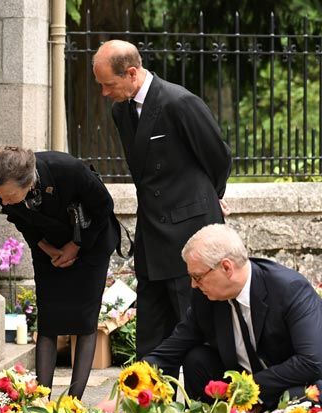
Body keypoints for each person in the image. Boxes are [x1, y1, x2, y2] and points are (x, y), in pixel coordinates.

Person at [92, 40, 232, 366]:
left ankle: (205, 401)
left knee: (194, 323)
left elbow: (218, 157)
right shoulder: (120, 110)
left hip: (191, 232)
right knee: (151, 331)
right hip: (152, 234)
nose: (103, 92)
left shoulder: (179, 102)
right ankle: (150, 401)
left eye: (108, 84)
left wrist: (214, 197)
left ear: (131, 73)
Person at [145, 223, 322, 411]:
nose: (193, 286)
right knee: (196, 359)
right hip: (258, 378)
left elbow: (311, 362)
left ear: (226, 268)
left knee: (297, 401)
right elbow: (170, 351)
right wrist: (131, 383)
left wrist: (246, 388)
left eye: (197, 277)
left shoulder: (288, 288)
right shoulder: (206, 297)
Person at [0, 146, 119, 400]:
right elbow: (19, 218)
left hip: (91, 239)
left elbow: (103, 207)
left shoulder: (67, 170)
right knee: (49, 318)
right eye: (0, 197)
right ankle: (42, 398)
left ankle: (73, 401)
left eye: (9, 195)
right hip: (48, 243)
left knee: (84, 320)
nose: (4, 201)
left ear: (27, 180)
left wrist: (75, 246)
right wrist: (46, 247)